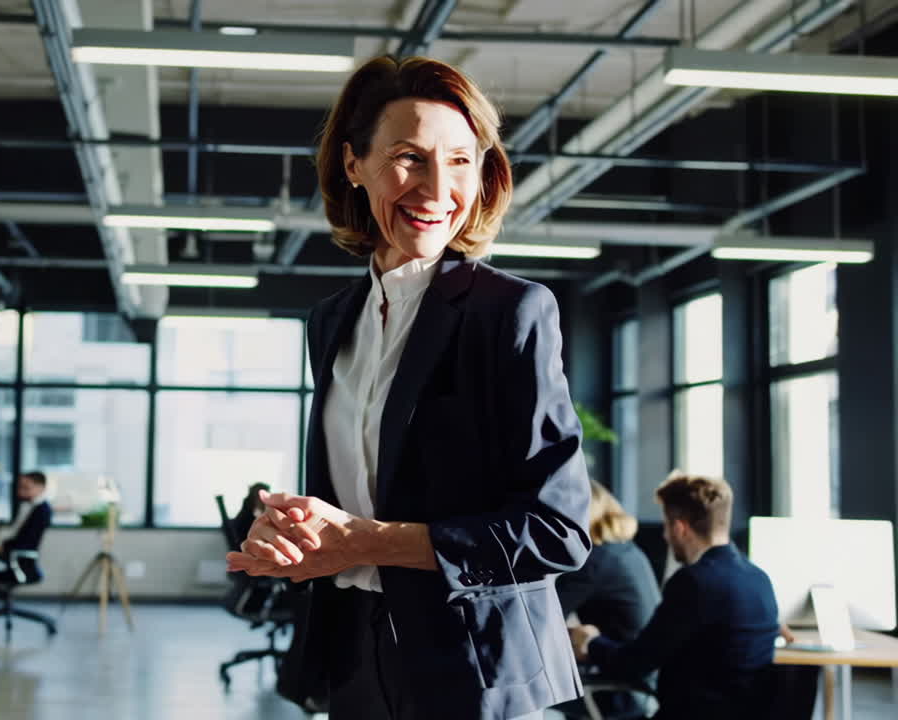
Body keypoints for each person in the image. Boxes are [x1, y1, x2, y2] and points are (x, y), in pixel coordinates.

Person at [225, 55, 591, 720]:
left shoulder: (509, 313)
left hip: (473, 668)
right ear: (352, 164)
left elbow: (556, 530)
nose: (437, 187)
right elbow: (359, 491)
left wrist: (372, 540)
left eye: (459, 160)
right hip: (355, 653)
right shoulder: (333, 321)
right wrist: (297, 532)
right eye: (409, 157)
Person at [568, 471, 780, 720]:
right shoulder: (759, 579)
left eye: (667, 526)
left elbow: (635, 664)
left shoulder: (694, 582)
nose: (664, 536)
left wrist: (591, 642)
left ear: (680, 528)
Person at [555, 479, 660, 718]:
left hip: (619, 689)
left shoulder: (595, 561)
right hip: (641, 683)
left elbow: (545, 618)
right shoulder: (626, 550)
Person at [0, 471, 52, 586]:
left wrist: (1, 548)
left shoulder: (41, 510)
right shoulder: (29, 506)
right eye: (20, 487)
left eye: (26, 488)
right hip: (14, 555)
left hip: (20, 562)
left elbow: (28, 542)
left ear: (41, 488)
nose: (20, 492)